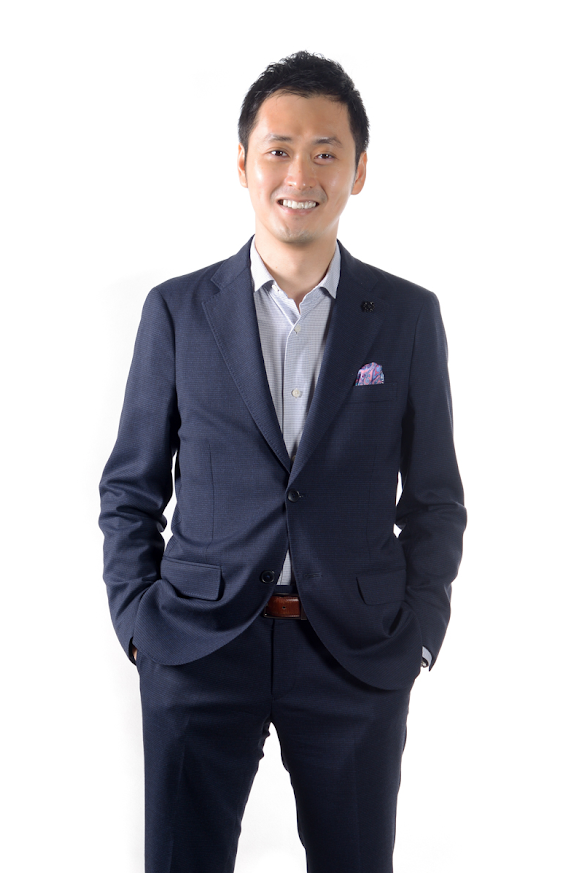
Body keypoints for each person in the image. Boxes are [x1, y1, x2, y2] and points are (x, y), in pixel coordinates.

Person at [99, 50, 466, 873]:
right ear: (243, 163)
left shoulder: (406, 317)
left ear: (359, 170)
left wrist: (420, 630)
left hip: (354, 652)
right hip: (198, 645)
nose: (299, 172)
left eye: (326, 151)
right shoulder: (177, 310)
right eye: (278, 148)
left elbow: (436, 497)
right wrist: (139, 625)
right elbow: (131, 487)